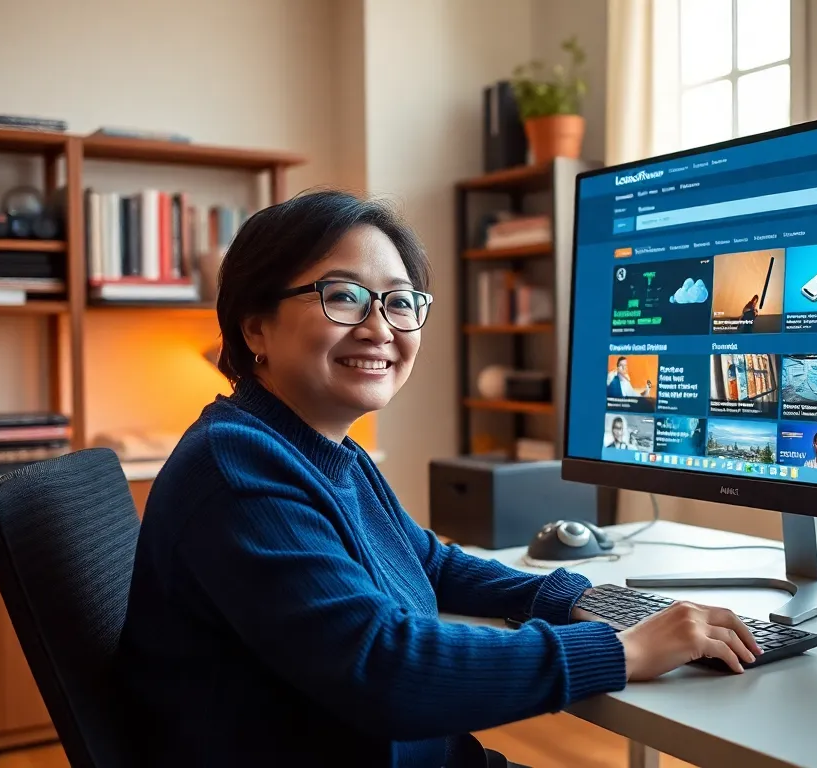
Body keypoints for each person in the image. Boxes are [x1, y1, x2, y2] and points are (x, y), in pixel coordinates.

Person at [116, 190, 762, 768]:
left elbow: (430, 563)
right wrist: (620, 652)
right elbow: (386, 669)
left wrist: (567, 597)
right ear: (255, 326)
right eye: (343, 296)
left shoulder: (322, 451)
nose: (380, 328)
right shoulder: (238, 471)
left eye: (400, 303)